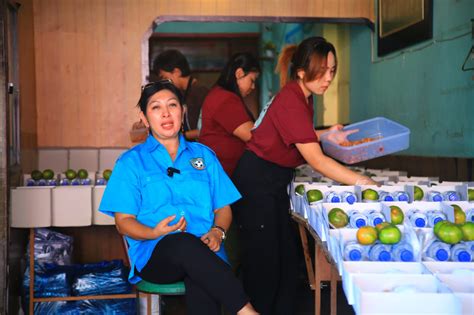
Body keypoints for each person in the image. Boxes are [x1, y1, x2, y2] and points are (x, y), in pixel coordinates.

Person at [231, 37, 377, 315]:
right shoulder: (291, 100)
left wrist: (327, 134)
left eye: (333, 70)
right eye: (322, 71)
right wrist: (362, 181)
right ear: (301, 71)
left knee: (286, 262)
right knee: (266, 265)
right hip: (257, 183)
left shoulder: (301, 97)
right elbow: (317, 160)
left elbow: (296, 135)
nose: (328, 78)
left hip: (271, 181)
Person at [99, 80, 258, 315]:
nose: (165, 113)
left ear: (183, 111)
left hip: (207, 251)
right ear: (144, 118)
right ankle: (247, 312)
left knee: (202, 277)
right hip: (156, 255)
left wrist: (217, 232)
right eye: (155, 107)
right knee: (184, 244)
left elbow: (223, 208)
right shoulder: (131, 163)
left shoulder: (204, 156)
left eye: (172, 105)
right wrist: (155, 232)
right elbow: (123, 223)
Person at [199, 52, 260, 176]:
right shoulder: (225, 99)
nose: (253, 87)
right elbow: (253, 136)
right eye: (252, 81)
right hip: (221, 175)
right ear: (239, 74)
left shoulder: (221, 95)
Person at [153, 49, 209, 140]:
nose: (164, 82)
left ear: (177, 72)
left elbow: (206, 129)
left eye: (165, 78)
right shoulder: (182, 92)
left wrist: (178, 137)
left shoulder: (200, 93)